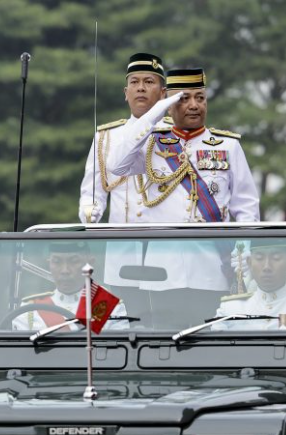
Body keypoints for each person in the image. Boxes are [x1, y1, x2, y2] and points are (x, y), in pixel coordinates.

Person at [103, 67, 262, 328]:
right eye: (183, 98)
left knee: (208, 344)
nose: (193, 105)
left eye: (200, 98)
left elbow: (246, 207)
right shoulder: (152, 143)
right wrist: (155, 112)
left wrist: (243, 251)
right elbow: (115, 165)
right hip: (162, 273)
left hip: (211, 269)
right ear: (169, 102)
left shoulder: (227, 146)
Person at [79, 52, 170, 323]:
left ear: (163, 93)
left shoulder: (175, 135)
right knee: (117, 324)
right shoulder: (106, 136)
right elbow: (91, 191)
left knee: (167, 325)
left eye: (149, 81)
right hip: (120, 253)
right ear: (125, 92)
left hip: (169, 251)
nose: (140, 87)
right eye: (134, 81)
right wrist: (89, 212)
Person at [12, 242, 129, 331]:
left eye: (73, 261)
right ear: (49, 264)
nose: (65, 270)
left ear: (90, 264)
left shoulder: (109, 306)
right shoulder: (30, 309)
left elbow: (117, 356)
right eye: (57, 262)